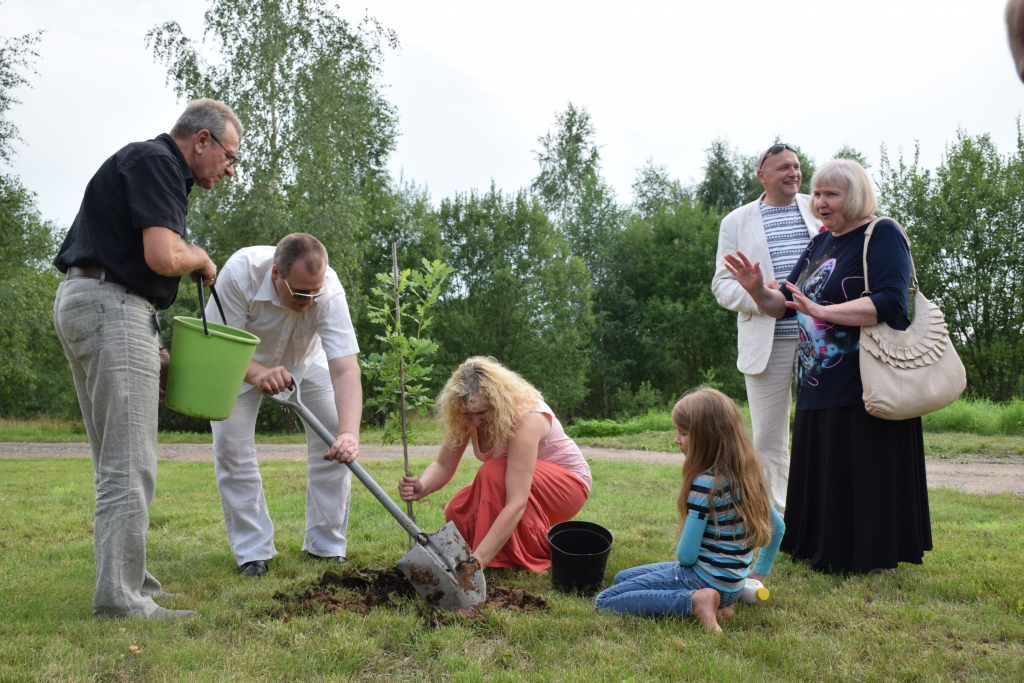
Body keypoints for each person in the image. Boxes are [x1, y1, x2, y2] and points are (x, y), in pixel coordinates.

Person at [52, 98, 239, 619]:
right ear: (201, 140)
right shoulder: (159, 162)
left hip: (93, 301)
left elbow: (133, 257)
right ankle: (120, 599)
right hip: (112, 305)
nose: (229, 168)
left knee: (115, 459)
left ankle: (133, 581)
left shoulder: (146, 165)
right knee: (130, 464)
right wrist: (200, 256)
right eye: (229, 155)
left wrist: (147, 338)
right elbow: (162, 255)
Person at [723, 158, 932, 574]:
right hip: (819, 378)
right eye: (817, 193)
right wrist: (755, 292)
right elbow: (784, 305)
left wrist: (823, 309)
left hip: (865, 377)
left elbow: (890, 301)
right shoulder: (821, 242)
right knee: (825, 463)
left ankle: (871, 557)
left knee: (862, 464)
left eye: (830, 194)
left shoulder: (882, 233)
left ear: (854, 196)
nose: (820, 201)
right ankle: (824, 549)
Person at [209, 233, 362, 579]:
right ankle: (253, 552)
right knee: (231, 450)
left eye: (315, 292)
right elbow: (221, 350)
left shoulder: (329, 291)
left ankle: (326, 546)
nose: (309, 300)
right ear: (276, 274)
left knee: (334, 440)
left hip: (308, 362)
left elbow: (345, 368)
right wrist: (260, 373)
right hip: (239, 365)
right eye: (300, 292)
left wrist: (349, 433)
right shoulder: (238, 275)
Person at [594, 387, 785, 633]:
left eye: (683, 433)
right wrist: (757, 576)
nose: (677, 440)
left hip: (699, 578)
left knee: (605, 600)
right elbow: (778, 527)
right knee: (622, 579)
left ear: (707, 438)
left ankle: (697, 601)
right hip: (733, 586)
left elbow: (686, 557)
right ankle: (721, 604)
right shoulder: (749, 476)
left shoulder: (706, 482)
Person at [397, 357, 591, 572]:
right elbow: (443, 465)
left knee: (492, 472)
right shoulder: (467, 416)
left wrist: (478, 560)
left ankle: (523, 554)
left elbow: (516, 502)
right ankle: (500, 549)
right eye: (467, 414)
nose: (474, 422)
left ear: (498, 401)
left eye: (482, 413)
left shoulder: (526, 419)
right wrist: (421, 487)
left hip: (568, 488)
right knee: (457, 509)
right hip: (524, 480)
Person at [712, 143, 822, 515]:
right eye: (783, 168)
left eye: (796, 166)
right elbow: (721, 286)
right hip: (766, 342)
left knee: (824, 431)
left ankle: (819, 516)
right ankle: (778, 522)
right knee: (769, 439)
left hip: (821, 340)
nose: (793, 173)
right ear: (762, 176)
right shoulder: (736, 222)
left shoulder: (818, 208)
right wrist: (757, 292)